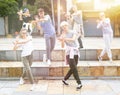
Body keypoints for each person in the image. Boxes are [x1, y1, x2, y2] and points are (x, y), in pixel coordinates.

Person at [58, 21, 82, 90]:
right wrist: (62, 40)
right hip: (69, 53)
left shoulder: (73, 32)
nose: (64, 28)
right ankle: (79, 83)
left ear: (67, 25)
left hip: (75, 51)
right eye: (62, 27)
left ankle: (64, 79)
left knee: (73, 67)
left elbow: (73, 39)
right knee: (74, 68)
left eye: (65, 26)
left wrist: (64, 38)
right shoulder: (63, 34)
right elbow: (62, 46)